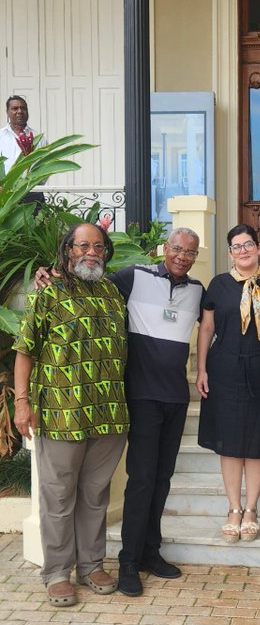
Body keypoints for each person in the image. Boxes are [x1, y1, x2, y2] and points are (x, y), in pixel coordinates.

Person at [34, 227, 205, 598]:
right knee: (140, 480)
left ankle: (148, 552)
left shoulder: (197, 291)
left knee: (160, 480)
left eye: (189, 252)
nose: (181, 256)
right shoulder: (132, 277)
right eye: (176, 248)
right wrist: (49, 270)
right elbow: (81, 271)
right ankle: (126, 562)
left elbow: (207, 330)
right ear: (165, 248)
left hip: (170, 398)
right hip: (135, 398)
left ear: (195, 257)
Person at [13, 223, 128, 607]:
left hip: (108, 413)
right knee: (58, 496)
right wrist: (22, 402)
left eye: (98, 246)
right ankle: (57, 572)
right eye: (83, 245)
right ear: (68, 249)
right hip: (61, 414)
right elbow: (25, 350)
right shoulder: (47, 292)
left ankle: (91, 564)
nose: (91, 252)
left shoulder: (112, 291)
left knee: (95, 495)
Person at [196, 224, 260, 542]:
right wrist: (201, 370)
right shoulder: (219, 285)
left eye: (248, 244)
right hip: (224, 369)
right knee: (230, 442)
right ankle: (233, 508)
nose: (243, 251)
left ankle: (251, 508)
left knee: (256, 442)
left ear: (259, 247)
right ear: (230, 253)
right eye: (236, 246)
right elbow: (207, 330)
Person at [0, 94, 46, 174]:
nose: (20, 111)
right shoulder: (1, 136)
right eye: (15, 108)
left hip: (31, 185)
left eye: (23, 108)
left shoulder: (39, 138)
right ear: (7, 112)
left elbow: (46, 164)